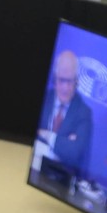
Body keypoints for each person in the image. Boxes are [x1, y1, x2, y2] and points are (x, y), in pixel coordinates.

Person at [39, 49, 92, 182]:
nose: (66, 88)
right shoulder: (45, 98)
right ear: (54, 78)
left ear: (77, 81)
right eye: (62, 80)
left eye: (71, 82)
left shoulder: (84, 112)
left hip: (61, 181)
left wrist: (47, 135)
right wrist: (64, 141)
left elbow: (74, 153)